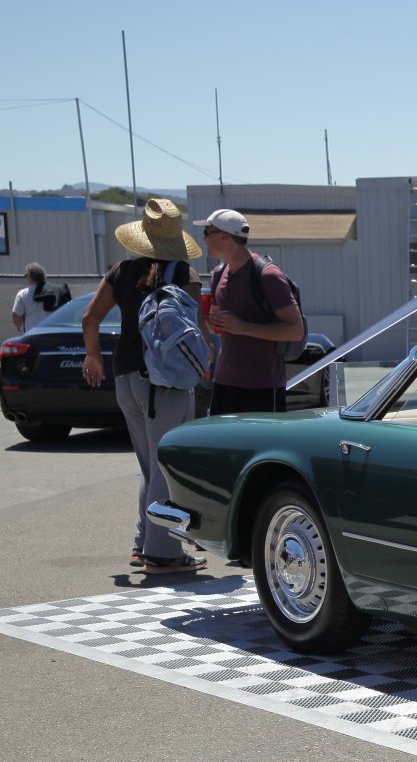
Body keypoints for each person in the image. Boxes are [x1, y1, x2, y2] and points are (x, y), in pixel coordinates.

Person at [80, 198, 206, 574]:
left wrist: (93, 357)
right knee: (167, 467)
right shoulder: (184, 274)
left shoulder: (121, 271)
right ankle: (163, 554)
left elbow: (89, 318)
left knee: (149, 466)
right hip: (165, 382)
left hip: (125, 377)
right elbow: (194, 331)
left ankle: (142, 545)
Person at [194, 209, 305, 416]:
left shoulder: (268, 274)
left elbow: (296, 330)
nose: (204, 238)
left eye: (207, 232)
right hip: (224, 383)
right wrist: (207, 321)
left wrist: (243, 327)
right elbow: (220, 328)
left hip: (263, 386)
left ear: (224, 236)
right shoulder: (218, 274)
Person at [12, 263, 69, 335]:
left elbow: (16, 316)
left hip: (31, 334)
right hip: (52, 333)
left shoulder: (22, 294)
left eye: (26, 276)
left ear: (29, 277)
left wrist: (20, 328)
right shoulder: (54, 291)